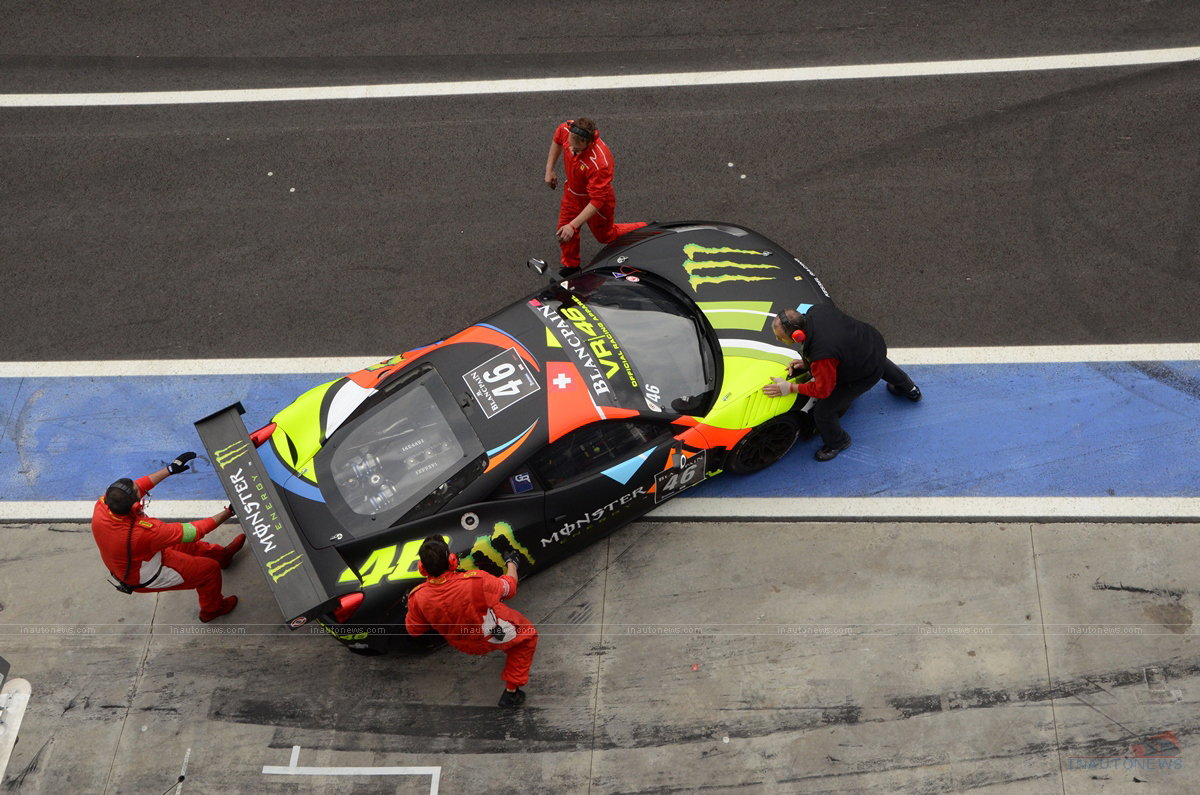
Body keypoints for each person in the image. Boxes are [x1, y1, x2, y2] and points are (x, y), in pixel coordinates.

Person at [91, 452, 246, 622]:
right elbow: (194, 531)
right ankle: (212, 609)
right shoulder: (144, 532)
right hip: (146, 573)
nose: (141, 489)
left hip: (140, 556)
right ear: (135, 506)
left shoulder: (104, 504)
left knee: (188, 548)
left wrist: (170, 469)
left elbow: (136, 488)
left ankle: (223, 557)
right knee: (209, 570)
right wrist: (230, 511)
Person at [761, 305, 921, 461]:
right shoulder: (817, 310)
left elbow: (823, 390)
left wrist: (790, 388)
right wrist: (808, 362)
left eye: (780, 337)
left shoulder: (821, 355)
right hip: (872, 344)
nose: (777, 339)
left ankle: (838, 442)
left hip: (863, 373)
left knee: (823, 413)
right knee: (877, 362)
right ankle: (910, 389)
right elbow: (836, 343)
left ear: (798, 336)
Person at [405, 535, 538, 708]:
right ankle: (511, 692)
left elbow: (414, 630)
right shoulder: (476, 580)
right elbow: (510, 588)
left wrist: (411, 606)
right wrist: (512, 563)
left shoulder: (417, 597)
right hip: (489, 635)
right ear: (452, 561)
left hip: (461, 643)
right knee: (527, 637)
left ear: (422, 568)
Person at [544, 116, 647, 273]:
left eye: (577, 150)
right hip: (572, 193)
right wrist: (549, 169)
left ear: (589, 143)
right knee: (564, 232)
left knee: (606, 236)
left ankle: (646, 230)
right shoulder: (566, 129)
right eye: (570, 147)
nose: (572, 152)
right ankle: (571, 267)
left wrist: (573, 225)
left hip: (596, 203)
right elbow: (557, 140)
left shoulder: (600, 163)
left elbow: (597, 201)